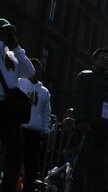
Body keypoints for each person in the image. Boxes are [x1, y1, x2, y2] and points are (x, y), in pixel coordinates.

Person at [71, 48, 108, 192]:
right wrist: (81, 120)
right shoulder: (85, 77)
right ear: (94, 60)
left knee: (100, 169)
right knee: (82, 166)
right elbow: (77, 98)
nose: (106, 60)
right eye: (102, 57)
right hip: (87, 128)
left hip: (104, 131)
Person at [0, 18, 35, 192]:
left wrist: (17, 48)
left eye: (10, 32)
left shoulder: (12, 56)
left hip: (9, 110)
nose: (8, 35)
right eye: (4, 31)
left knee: (15, 154)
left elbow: (30, 71)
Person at [18, 58, 51, 192]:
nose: (34, 71)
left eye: (37, 68)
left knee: (31, 166)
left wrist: (46, 131)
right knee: (15, 163)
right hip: (19, 129)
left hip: (35, 134)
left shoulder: (44, 91)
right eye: (31, 67)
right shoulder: (19, 83)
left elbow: (46, 113)